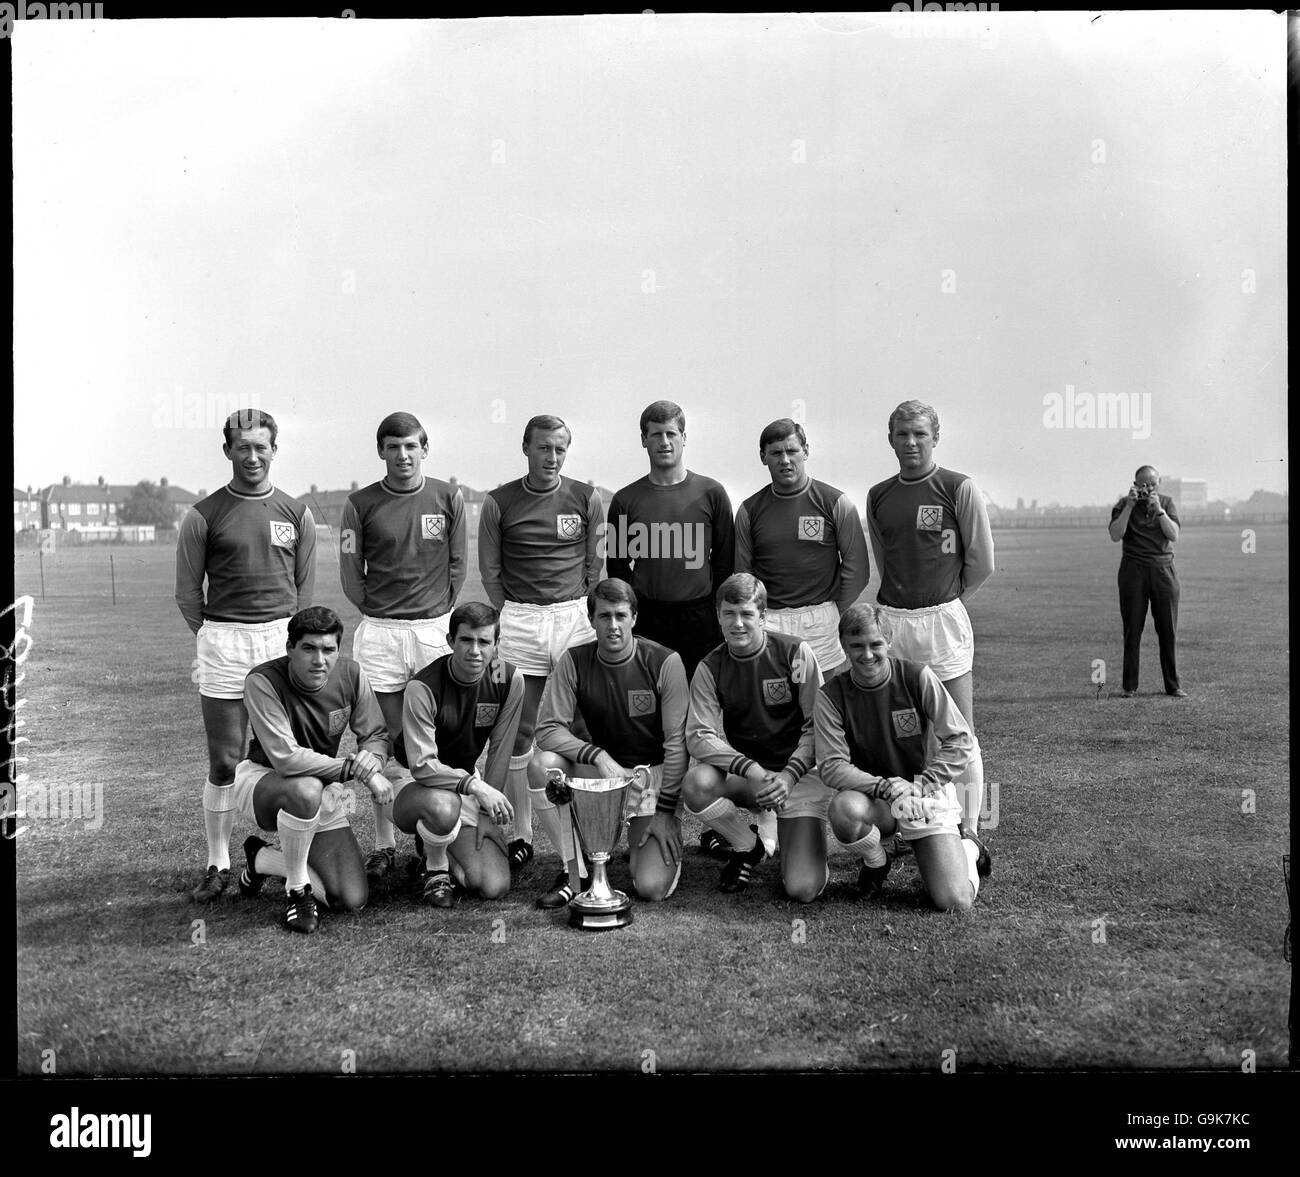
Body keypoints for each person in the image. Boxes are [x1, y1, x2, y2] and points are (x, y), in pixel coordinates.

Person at [175, 409, 317, 904]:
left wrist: (280, 636)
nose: (252, 456)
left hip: (280, 639)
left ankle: (285, 856)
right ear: (228, 450)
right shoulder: (203, 515)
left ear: (275, 450)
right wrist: (218, 635)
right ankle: (217, 861)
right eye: (243, 446)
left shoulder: (297, 513)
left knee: (284, 753)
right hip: (224, 639)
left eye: (262, 446)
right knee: (225, 760)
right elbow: (188, 594)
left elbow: (302, 590)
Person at [339, 411, 467, 893]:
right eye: (393, 446)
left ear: (425, 448)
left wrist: (437, 610)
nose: (403, 455)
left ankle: (433, 838)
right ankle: (385, 842)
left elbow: (458, 564)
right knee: (385, 735)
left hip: (433, 628)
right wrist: (375, 606)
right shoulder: (359, 505)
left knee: (432, 734)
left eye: (411, 445)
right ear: (381, 451)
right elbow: (351, 570)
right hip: (381, 631)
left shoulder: (448, 497)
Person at [478, 414, 604, 877]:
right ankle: (523, 834)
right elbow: (490, 572)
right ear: (526, 447)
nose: (552, 457)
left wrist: (575, 606)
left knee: (583, 724)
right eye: (544, 448)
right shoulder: (499, 502)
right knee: (521, 729)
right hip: (522, 618)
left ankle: (594, 828)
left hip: (574, 616)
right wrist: (516, 612)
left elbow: (596, 564)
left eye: (560, 449)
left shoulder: (586, 497)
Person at [865, 400, 993, 833]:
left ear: (935, 437)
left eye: (920, 433)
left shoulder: (959, 487)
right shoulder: (879, 495)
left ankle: (973, 830)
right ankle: (913, 826)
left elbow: (981, 562)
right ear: (890, 440)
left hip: (942, 620)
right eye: (902, 434)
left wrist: (945, 600)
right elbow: (886, 562)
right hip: (894, 623)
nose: (911, 442)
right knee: (907, 733)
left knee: (960, 731)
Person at [814, 604, 991, 910]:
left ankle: (969, 846)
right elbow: (831, 766)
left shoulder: (916, 676)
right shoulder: (831, 695)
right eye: (856, 646)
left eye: (875, 645)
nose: (867, 655)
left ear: (889, 641)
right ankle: (876, 860)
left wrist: (922, 785)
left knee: (954, 900)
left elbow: (960, 739)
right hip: (877, 797)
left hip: (923, 794)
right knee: (843, 809)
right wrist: (885, 787)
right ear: (843, 646)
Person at [529, 578, 688, 909]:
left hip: (650, 782)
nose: (613, 626)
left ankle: (645, 839)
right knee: (543, 766)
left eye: (620, 615)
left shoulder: (665, 661)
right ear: (591, 620)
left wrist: (666, 812)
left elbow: (677, 746)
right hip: (601, 776)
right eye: (604, 616)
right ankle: (577, 871)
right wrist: (596, 754)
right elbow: (547, 729)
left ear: (634, 617)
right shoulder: (573, 661)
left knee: (651, 887)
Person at [233, 607, 391, 934]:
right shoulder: (262, 681)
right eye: (308, 648)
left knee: (351, 899)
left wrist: (372, 761)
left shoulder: (351, 674)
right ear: (290, 648)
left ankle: (260, 860)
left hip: (320, 787)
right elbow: (286, 759)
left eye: (328, 650)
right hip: (264, 782)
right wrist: (355, 769)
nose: (319, 659)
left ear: (338, 651)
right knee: (305, 788)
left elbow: (375, 735)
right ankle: (297, 890)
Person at [682, 573, 831, 901]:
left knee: (802, 888)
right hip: (755, 778)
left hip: (800, 777)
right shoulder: (711, 666)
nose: (737, 624)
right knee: (697, 782)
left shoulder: (795, 654)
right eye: (729, 614)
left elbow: (818, 728)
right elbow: (699, 736)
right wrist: (750, 768)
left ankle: (786, 824)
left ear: (762, 617)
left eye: (747, 614)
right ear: (717, 615)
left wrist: (790, 776)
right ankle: (747, 844)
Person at [398, 602, 525, 907]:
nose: (475, 651)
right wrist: (477, 787)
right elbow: (422, 766)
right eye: (466, 640)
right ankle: (435, 869)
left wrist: (486, 815)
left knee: (493, 885)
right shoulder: (423, 686)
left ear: (497, 644)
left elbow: (501, 749)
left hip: (462, 784)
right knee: (443, 804)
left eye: (484, 642)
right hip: (408, 782)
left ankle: (430, 845)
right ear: (450, 641)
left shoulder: (506, 678)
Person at [605, 400, 735, 680]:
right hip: (648, 617)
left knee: (697, 702)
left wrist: (713, 608)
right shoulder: (625, 499)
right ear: (643, 440)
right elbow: (616, 565)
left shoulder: (712, 493)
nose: (664, 442)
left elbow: (725, 560)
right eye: (656, 434)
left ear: (684, 438)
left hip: (700, 618)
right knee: (646, 702)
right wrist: (634, 607)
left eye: (671, 433)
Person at [1108, 465, 1184, 697]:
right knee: (1133, 630)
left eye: (1152, 484)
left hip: (1163, 569)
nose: (1147, 489)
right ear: (1134, 484)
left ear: (1158, 484)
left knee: (1168, 630)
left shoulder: (1167, 502)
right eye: (1142, 484)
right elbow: (1115, 534)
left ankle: (1173, 686)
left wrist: (1159, 510)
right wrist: (1130, 507)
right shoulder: (1123, 503)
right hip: (1133, 570)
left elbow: (1174, 535)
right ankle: (1129, 686)